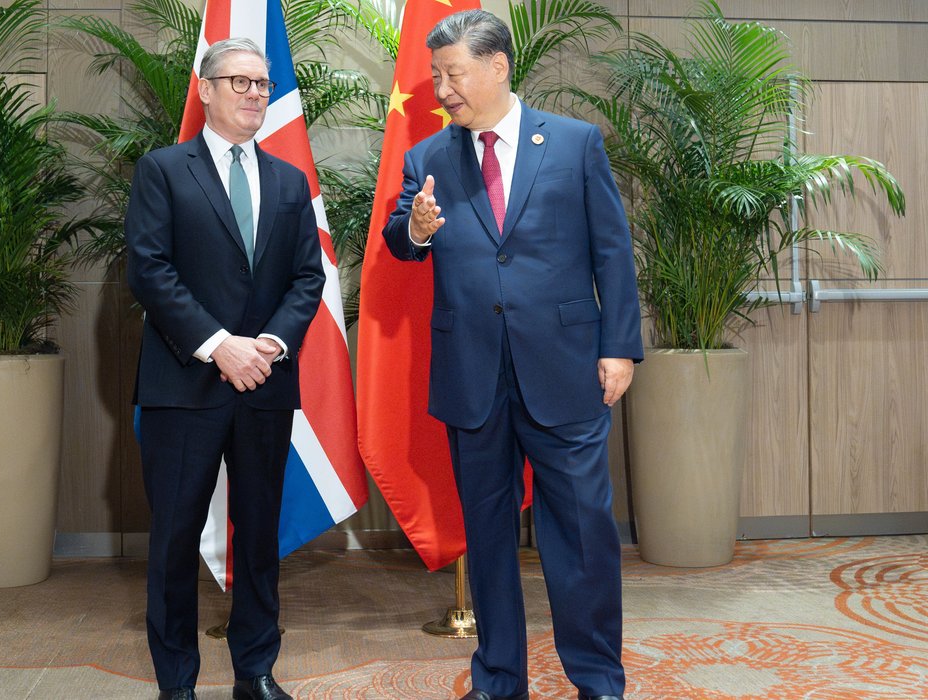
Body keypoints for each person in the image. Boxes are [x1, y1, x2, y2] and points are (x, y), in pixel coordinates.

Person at [382, 10, 643, 700]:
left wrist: (619, 348)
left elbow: (611, 252)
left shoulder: (574, 143)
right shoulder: (428, 158)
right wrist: (415, 225)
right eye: (435, 76)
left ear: (497, 67)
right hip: (472, 375)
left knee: (582, 535)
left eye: (453, 73)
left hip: (564, 368)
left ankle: (597, 680)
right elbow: (400, 240)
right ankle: (498, 679)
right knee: (489, 539)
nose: (442, 88)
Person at [125, 37, 324, 700]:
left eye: (261, 84)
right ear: (205, 91)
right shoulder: (162, 170)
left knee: (261, 536)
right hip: (184, 385)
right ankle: (176, 682)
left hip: (264, 386)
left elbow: (306, 277)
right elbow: (149, 271)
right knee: (175, 538)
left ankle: (255, 671)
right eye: (237, 81)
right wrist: (219, 344)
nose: (252, 93)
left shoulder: (290, 182)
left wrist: (267, 344)